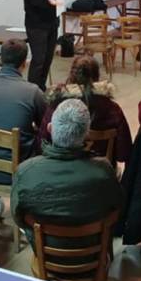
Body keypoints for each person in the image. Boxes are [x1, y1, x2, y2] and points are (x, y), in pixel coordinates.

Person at [11, 99, 124, 244]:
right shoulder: (104, 171)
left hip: (45, 256)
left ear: (50, 129)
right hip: (94, 256)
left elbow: (18, 217)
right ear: (87, 135)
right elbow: (117, 208)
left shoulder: (25, 172)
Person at [0, 39, 47, 175]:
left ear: (0, 59)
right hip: (19, 171)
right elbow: (45, 127)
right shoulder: (32, 91)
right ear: (24, 63)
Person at [40, 55, 131, 163]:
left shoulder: (56, 106)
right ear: (97, 77)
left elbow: (42, 145)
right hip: (101, 173)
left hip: (60, 170)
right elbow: (124, 153)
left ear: (71, 76)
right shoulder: (112, 109)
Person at [23, 0, 63, 91]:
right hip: (37, 25)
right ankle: (32, 91)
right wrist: (49, 1)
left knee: (48, 59)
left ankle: (41, 88)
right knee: (38, 59)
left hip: (52, 23)